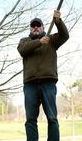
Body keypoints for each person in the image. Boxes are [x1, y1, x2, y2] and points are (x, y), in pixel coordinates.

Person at [17, 10, 69, 141]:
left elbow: (65, 35)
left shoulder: (52, 40)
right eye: (33, 26)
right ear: (30, 28)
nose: (35, 27)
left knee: (52, 118)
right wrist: (39, 42)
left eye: (38, 25)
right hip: (30, 85)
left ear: (42, 27)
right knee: (30, 119)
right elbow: (22, 50)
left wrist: (58, 21)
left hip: (48, 83)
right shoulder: (24, 41)